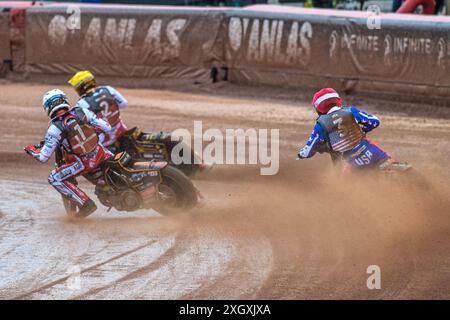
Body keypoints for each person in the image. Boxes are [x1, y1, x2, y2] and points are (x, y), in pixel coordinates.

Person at [24, 89, 112, 217]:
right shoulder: (81, 111)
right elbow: (107, 127)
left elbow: (43, 157)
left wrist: (31, 149)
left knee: (54, 178)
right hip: (101, 153)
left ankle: (86, 203)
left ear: (48, 108)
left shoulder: (55, 128)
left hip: (83, 163)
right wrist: (91, 130)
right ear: (64, 100)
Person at [297, 88, 390, 171]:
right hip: (372, 152)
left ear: (319, 107)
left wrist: (301, 154)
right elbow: (375, 121)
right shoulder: (351, 111)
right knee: (390, 164)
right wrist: (362, 129)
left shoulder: (320, 124)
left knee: (343, 187)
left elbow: (308, 151)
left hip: (351, 164)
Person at [68, 70, 128, 149]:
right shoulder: (107, 89)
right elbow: (123, 104)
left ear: (81, 87)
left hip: (105, 142)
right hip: (121, 131)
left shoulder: (82, 103)